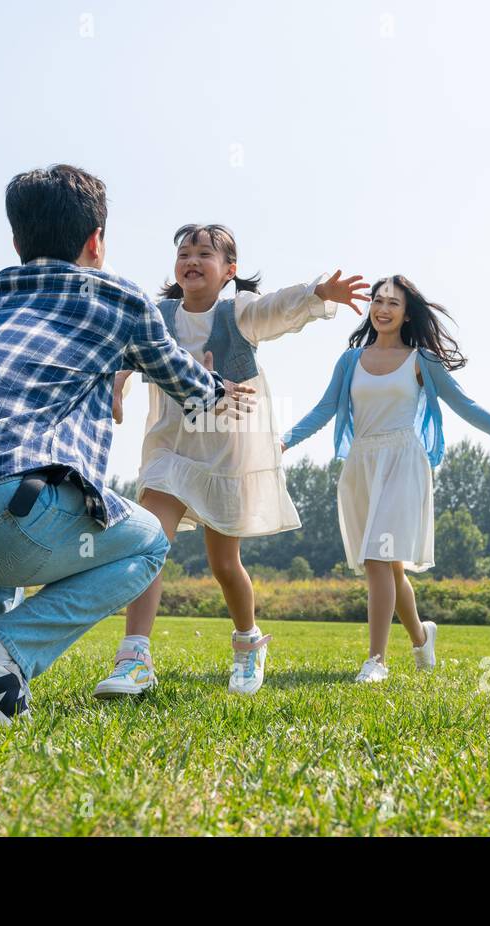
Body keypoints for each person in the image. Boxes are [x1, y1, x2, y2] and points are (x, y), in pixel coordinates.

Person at [0, 165, 255, 724]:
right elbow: (186, 384)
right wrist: (220, 391)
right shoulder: (119, 299)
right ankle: (2, 654)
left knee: (4, 467)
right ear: (96, 242)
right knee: (148, 543)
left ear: (17, 241)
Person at [93, 223, 369, 698]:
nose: (192, 260)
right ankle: (134, 657)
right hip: (170, 450)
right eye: (184, 253)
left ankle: (248, 642)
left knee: (224, 564)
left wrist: (318, 292)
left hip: (227, 455)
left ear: (229, 272)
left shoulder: (238, 314)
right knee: (149, 543)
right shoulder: (156, 316)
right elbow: (125, 356)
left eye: (204, 253)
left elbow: (276, 309)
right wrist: (117, 388)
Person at [281, 275, 490, 683]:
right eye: (377, 301)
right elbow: (325, 409)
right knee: (389, 568)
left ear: (407, 312)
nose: (382, 309)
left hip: (404, 462)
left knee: (379, 556)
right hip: (362, 463)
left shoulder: (421, 361)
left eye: (393, 303)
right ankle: (421, 635)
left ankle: (376, 661)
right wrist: (285, 441)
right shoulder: (350, 361)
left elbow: (464, 404)